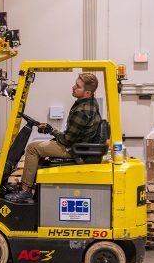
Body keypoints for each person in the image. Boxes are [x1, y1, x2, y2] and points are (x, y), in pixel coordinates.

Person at [6, 73, 102, 203]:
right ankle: (28, 185)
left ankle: (25, 190)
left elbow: (67, 139)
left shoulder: (82, 111)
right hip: (77, 145)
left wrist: (51, 130)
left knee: (33, 148)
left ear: (87, 93)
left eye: (78, 86)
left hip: (72, 149)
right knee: (42, 147)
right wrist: (52, 132)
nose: (73, 87)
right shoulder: (89, 103)